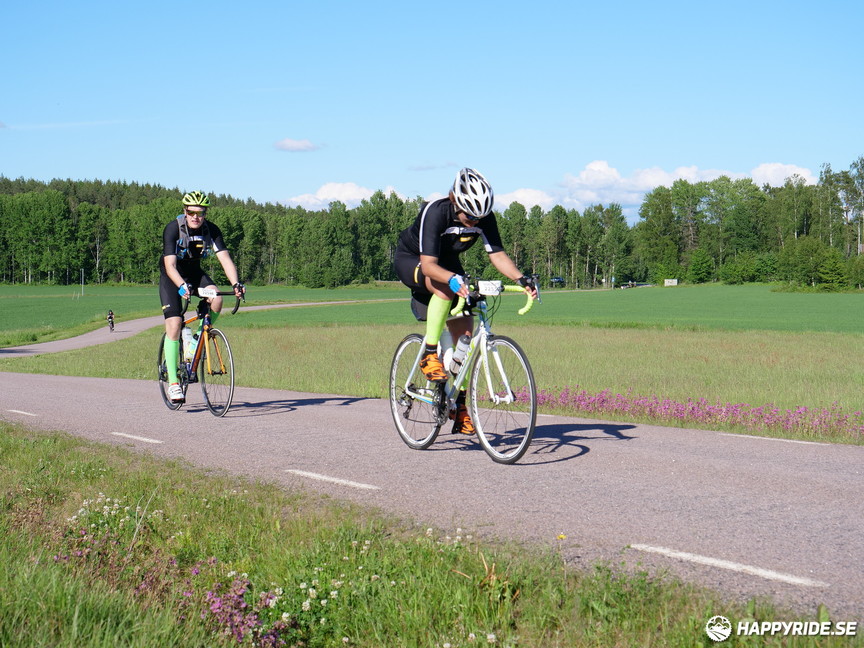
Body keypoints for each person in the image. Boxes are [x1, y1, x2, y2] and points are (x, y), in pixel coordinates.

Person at [394, 168, 537, 434]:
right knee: (445, 287)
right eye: (469, 216)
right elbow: (429, 266)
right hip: (414, 260)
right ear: (455, 201)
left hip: (447, 263)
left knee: (466, 337)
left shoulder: (484, 217)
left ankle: (459, 406)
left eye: (479, 217)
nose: (474, 222)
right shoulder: (436, 212)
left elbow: (497, 254)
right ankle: (429, 355)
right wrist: (451, 279)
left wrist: (521, 279)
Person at [159, 191, 245, 403]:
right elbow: (170, 265)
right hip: (172, 277)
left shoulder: (211, 230)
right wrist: (181, 285)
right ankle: (173, 384)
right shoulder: (173, 229)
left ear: (205, 213)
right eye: (191, 212)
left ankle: (195, 342)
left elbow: (225, 259)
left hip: (195, 274)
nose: (196, 217)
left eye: (201, 213)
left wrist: (236, 284)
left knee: (217, 299)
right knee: (174, 324)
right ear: (185, 211)